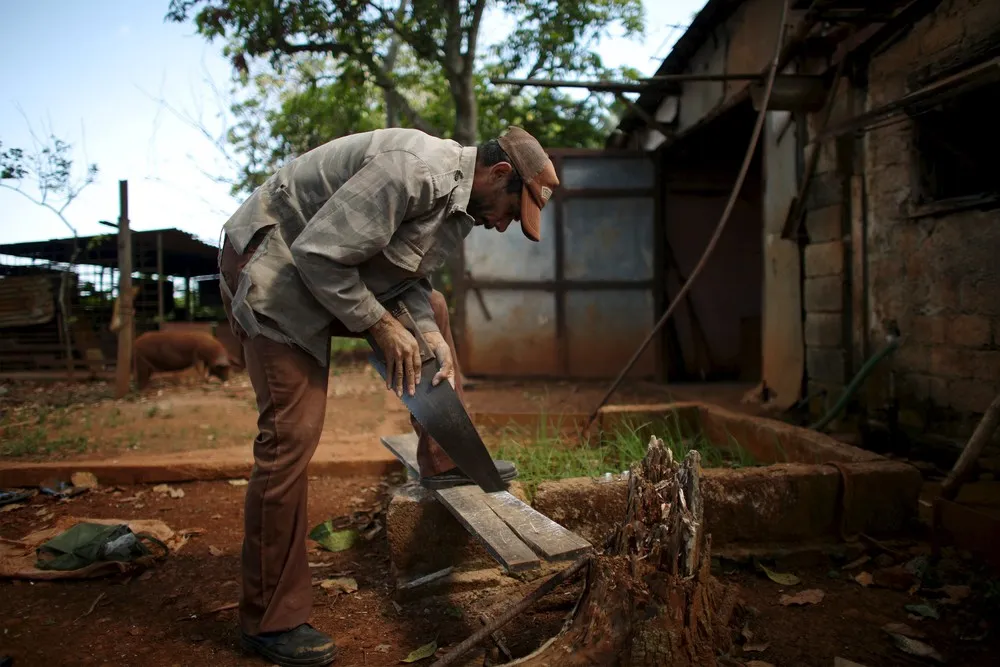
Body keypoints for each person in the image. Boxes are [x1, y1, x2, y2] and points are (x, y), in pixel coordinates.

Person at [217, 125, 560, 666]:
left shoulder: (460, 207)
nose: (502, 227)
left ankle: (445, 457)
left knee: (437, 314)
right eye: (511, 213)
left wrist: (425, 336)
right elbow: (318, 254)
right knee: (290, 436)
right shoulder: (412, 170)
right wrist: (378, 325)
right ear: (498, 174)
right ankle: (269, 619)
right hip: (275, 269)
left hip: (323, 269)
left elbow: (403, 279)